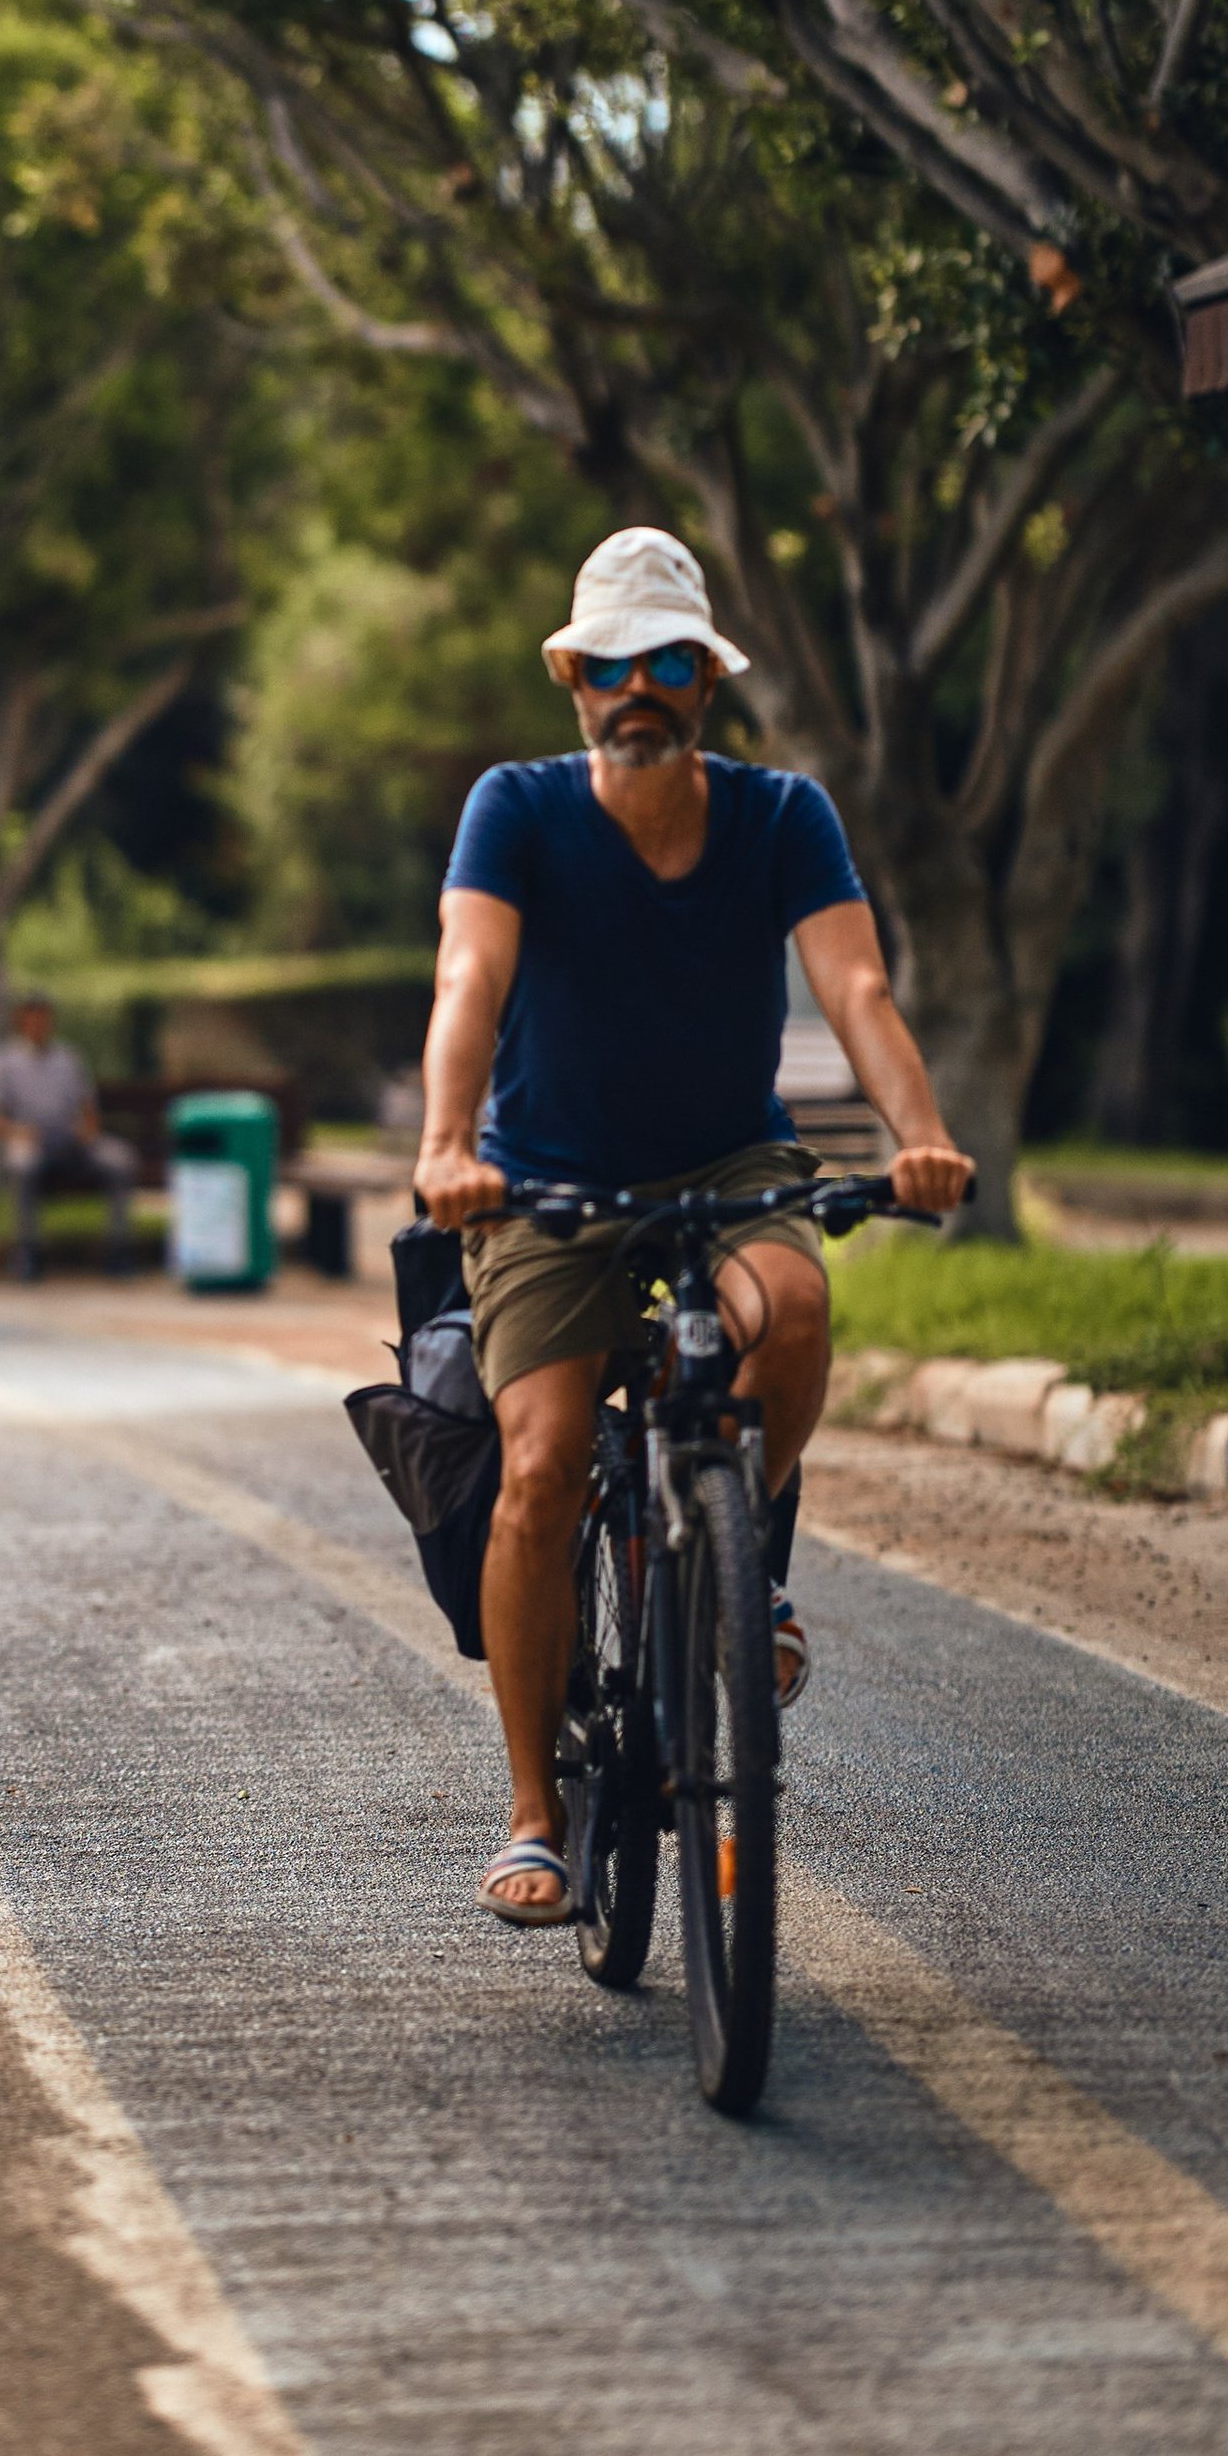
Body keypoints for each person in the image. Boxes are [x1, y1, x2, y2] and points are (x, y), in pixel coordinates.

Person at [415, 526, 974, 1926]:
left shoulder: (783, 818)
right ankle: (535, 1813)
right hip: (544, 1180)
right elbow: (469, 976)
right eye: (612, 667)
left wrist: (919, 1137)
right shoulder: (515, 809)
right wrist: (446, 1149)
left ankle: (742, 1567)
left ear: (709, 681)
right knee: (541, 1466)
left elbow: (858, 990)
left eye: (668, 665)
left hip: (728, 1166)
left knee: (794, 1312)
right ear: (573, 680)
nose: (639, 691)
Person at [0, 988, 138, 1283]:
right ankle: (28, 1252)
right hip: (32, 1142)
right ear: (21, 1021)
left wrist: (86, 1131)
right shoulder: (5, 1063)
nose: (38, 1024)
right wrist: (20, 1132)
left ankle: (119, 1250)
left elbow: (89, 1110)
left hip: (71, 1142)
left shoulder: (68, 1059)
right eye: (31, 1018)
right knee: (22, 1165)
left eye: (43, 1018)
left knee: (120, 1160)